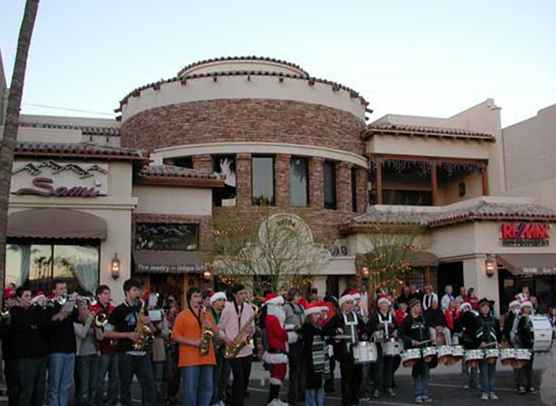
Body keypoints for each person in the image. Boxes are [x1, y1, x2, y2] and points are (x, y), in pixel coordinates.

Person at [104, 279, 157, 406]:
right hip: (125, 354)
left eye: (138, 290)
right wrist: (128, 335)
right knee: (125, 387)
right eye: (134, 290)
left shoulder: (142, 307)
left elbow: (154, 331)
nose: (137, 292)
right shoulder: (118, 310)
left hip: (143, 353)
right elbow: (106, 333)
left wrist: (149, 322)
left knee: (149, 386)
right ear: (126, 292)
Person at [172, 287, 217, 406]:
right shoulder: (182, 315)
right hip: (189, 359)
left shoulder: (207, 314)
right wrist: (194, 343)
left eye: (200, 296)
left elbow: (216, 333)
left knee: (207, 388)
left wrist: (210, 326)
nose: (199, 299)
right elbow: (175, 336)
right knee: (190, 390)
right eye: (195, 296)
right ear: (189, 299)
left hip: (208, 356)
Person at [324, 293, 368, 406]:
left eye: (351, 303)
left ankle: (355, 399)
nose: (350, 305)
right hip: (345, 352)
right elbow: (326, 330)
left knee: (358, 377)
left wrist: (364, 335)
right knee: (347, 378)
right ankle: (346, 402)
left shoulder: (356, 316)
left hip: (357, 351)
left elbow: (364, 329)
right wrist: (336, 333)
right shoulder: (337, 317)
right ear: (342, 305)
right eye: (347, 303)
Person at [10, 287, 49, 406]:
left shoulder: (36, 310)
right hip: (26, 358)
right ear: (18, 299)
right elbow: (26, 322)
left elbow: (43, 325)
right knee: (27, 391)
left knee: (40, 390)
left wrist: (41, 307)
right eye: (26, 296)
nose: (29, 299)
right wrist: (34, 305)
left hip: (41, 356)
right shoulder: (15, 310)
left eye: (30, 296)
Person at [218, 284, 255, 406]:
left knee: (244, 380)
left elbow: (253, 327)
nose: (244, 296)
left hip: (246, 349)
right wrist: (227, 339)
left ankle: (235, 400)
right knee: (239, 379)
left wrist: (251, 331)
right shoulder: (228, 309)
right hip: (232, 348)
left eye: (245, 293)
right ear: (234, 295)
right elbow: (220, 329)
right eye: (241, 294)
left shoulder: (249, 308)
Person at [45, 279, 79, 406]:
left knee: (65, 386)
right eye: (60, 288)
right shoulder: (50, 304)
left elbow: (81, 318)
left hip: (70, 349)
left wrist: (80, 303)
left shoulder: (70, 305)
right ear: (54, 291)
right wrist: (71, 302)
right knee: (54, 386)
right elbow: (58, 317)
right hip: (56, 350)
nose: (64, 291)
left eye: (65, 288)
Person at [91, 285, 120, 406]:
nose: (108, 296)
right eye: (105, 293)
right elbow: (94, 329)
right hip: (101, 348)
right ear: (99, 295)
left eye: (109, 293)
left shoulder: (113, 309)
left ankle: (111, 402)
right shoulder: (94, 308)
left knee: (115, 378)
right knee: (99, 379)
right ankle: (98, 402)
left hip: (114, 347)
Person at [261, 293, 290, 406]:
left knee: (278, 375)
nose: (281, 307)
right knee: (277, 375)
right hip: (277, 350)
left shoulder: (272, 317)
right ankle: (272, 400)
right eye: (279, 304)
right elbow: (279, 333)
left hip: (278, 349)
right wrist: (292, 335)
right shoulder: (272, 318)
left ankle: (274, 399)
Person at [401, 298, 431, 404]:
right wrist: (411, 341)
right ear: (412, 307)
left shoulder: (423, 319)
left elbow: (427, 332)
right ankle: (418, 394)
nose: (420, 308)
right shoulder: (407, 320)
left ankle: (425, 394)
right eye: (417, 306)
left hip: (424, 349)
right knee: (417, 372)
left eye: (420, 306)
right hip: (414, 350)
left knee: (426, 372)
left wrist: (430, 342)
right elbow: (402, 334)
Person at [301, 303, 329, 406]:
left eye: (319, 314)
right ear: (309, 316)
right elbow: (315, 333)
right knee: (311, 387)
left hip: (321, 360)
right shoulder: (307, 327)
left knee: (321, 385)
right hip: (311, 362)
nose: (318, 316)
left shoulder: (320, 327)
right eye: (315, 314)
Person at [369, 297, 397, 398]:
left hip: (389, 344)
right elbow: (368, 328)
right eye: (383, 304)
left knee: (389, 366)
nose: (385, 305)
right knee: (379, 367)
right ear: (379, 305)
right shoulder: (374, 317)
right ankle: (377, 388)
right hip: (378, 345)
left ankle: (388, 386)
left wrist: (396, 331)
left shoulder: (391, 316)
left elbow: (397, 327)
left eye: (386, 304)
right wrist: (374, 332)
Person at [74, 294, 99, 406]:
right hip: (82, 356)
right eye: (83, 308)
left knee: (93, 384)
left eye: (87, 308)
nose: (87, 311)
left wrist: (97, 324)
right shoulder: (75, 322)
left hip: (94, 354)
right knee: (84, 385)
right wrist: (89, 319)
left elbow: (99, 337)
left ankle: (92, 403)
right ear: (78, 310)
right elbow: (83, 334)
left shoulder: (91, 322)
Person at [475, 298, 501, 401]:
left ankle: (492, 391)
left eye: (487, 307)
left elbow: (498, 333)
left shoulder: (494, 319)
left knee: (492, 370)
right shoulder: (477, 320)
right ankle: (484, 391)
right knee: (484, 371)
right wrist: (480, 342)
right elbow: (475, 333)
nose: (486, 309)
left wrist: (498, 342)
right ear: (480, 309)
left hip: (493, 348)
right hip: (483, 348)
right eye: (483, 307)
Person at [284, 287, 306, 405]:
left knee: (302, 369)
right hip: (292, 341)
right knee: (294, 370)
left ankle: (301, 394)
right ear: (292, 296)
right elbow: (282, 323)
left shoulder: (301, 307)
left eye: (299, 296)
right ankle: (292, 397)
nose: (299, 298)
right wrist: (293, 327)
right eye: (297, 296)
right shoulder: (286, 307)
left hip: (301, 339)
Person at [455, 302, 479, 390]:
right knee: (466, 364)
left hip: (473, 343)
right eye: (465, 308)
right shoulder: (460, 319)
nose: (466, 310)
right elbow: (458, 330)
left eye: (467, 308)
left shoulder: (474, 316)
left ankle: (474, 382)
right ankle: (467, 382)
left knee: (473, 363)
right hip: (465, 343)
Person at [517, 301, 536, 395]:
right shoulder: (521, 319)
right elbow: (520, 333)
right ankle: (521, 386)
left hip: (531, 346)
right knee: (522, 366)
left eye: (529, 307)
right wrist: (527, 341)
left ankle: (529, 385)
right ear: (522, 309)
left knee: (529, 367)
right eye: (526, 307)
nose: (528, 309)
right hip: (523, 346)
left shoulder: (533, 319)